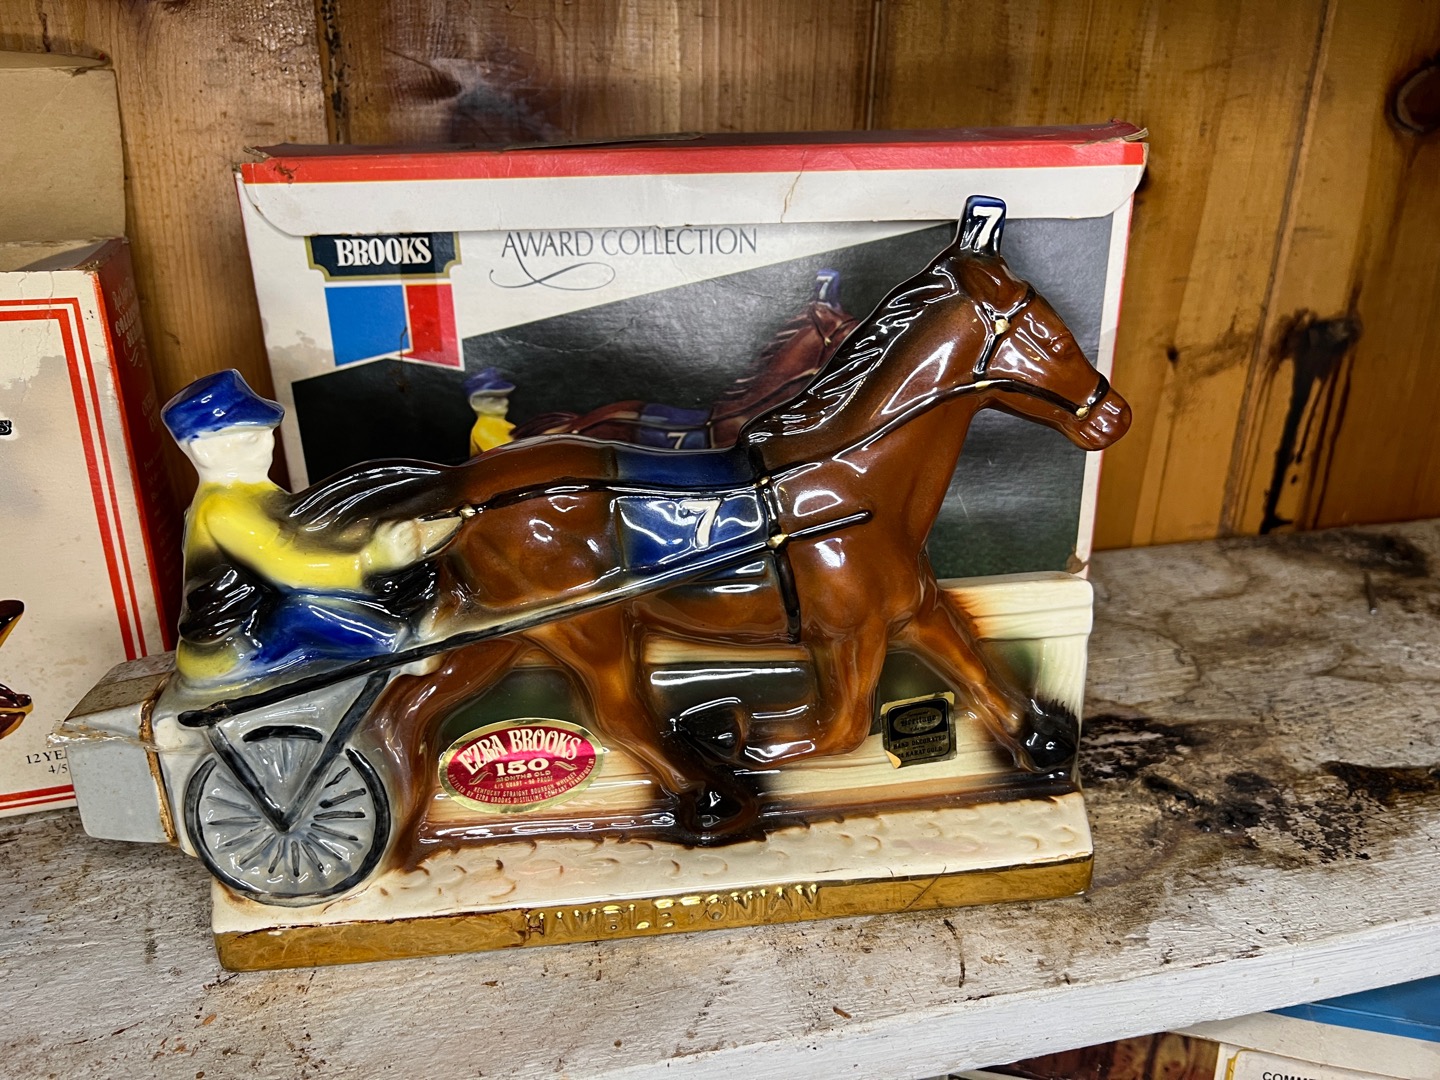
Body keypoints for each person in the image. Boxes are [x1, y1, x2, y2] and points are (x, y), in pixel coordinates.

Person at [163, 370, 453, 689]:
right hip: (229, 645)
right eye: (250, 439)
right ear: (205, 451)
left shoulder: (254, 493)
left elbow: (303, 537)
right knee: (303, 613)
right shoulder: (223, 508)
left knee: (331, 602)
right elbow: (293, 570)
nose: (266, 446)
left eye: (267, 434)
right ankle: (399, 646)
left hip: (255, 620)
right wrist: (370, 558)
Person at [464, 367, 516, 456]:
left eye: (504, 397)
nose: (505, 402)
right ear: (476, 402)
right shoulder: (483, 430)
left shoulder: (506, 425)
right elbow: (508, 456)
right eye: (496, 399)